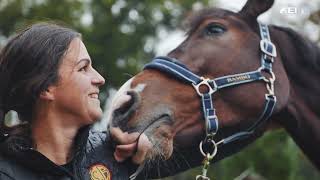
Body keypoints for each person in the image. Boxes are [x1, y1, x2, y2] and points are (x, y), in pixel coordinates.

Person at [0, 22, 154, 180]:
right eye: (83, 68)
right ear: (46, 88)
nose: (100, 79)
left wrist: (150, 148)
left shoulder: (118, 152)